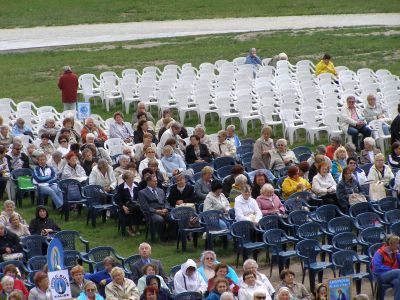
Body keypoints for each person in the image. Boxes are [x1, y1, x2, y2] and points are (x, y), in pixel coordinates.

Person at [138, 175, 174, 239]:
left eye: (156, 181)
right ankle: (163, 237)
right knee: (160, 220)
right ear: (148, 182)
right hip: (152, 213)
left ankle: (170, 235)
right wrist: (156, 211)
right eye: (154, 181)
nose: (156, 182)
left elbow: (166, 202)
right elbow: (145, 207)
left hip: (163, 210)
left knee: (174, 218)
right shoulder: (142, 193)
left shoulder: (160, 190)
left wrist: (166, 208)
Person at [114, 170, 143, 236]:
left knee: (138, 208)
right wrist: (123, 207)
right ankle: (129, 228)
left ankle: (136, 227)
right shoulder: (121, 187)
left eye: (133, 177)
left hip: (136, 204)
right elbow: (118, 200)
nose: (133, 179)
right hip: (125, 205)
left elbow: (141, 196)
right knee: (129, 209)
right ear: (126, 179)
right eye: (131, 177)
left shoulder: (136, 185)